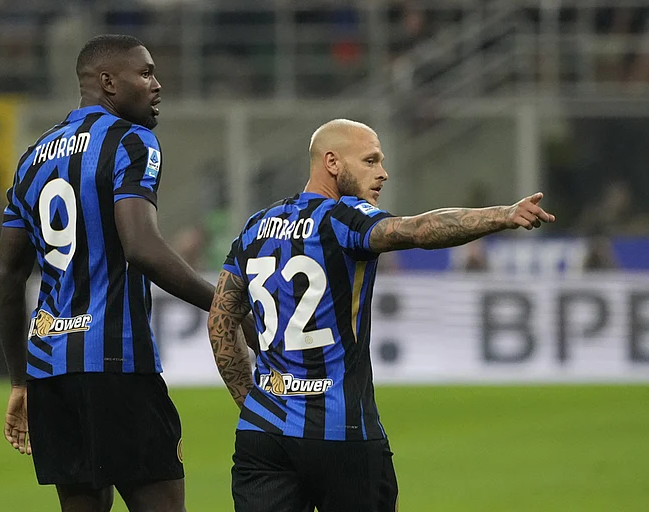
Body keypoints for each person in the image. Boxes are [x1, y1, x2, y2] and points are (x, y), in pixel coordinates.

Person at [206, 119, 555, 512]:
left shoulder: (256, 227)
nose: (383, 172)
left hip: (262, 436)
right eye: (371, 161)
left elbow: (221, 320)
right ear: (333, 162)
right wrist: (503, 215)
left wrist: (251, 401)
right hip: (342, 434)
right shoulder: (342, 217)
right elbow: (416, 230)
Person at [0, 34, 252, 512]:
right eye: (146, 73)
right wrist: (227, 303)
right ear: (108, 83)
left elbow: (8, 278)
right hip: (117, 364)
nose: (157, 85)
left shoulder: (30, 160)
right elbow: (143, 248)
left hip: (51, 372)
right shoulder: (132, 141)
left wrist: (19, 381)